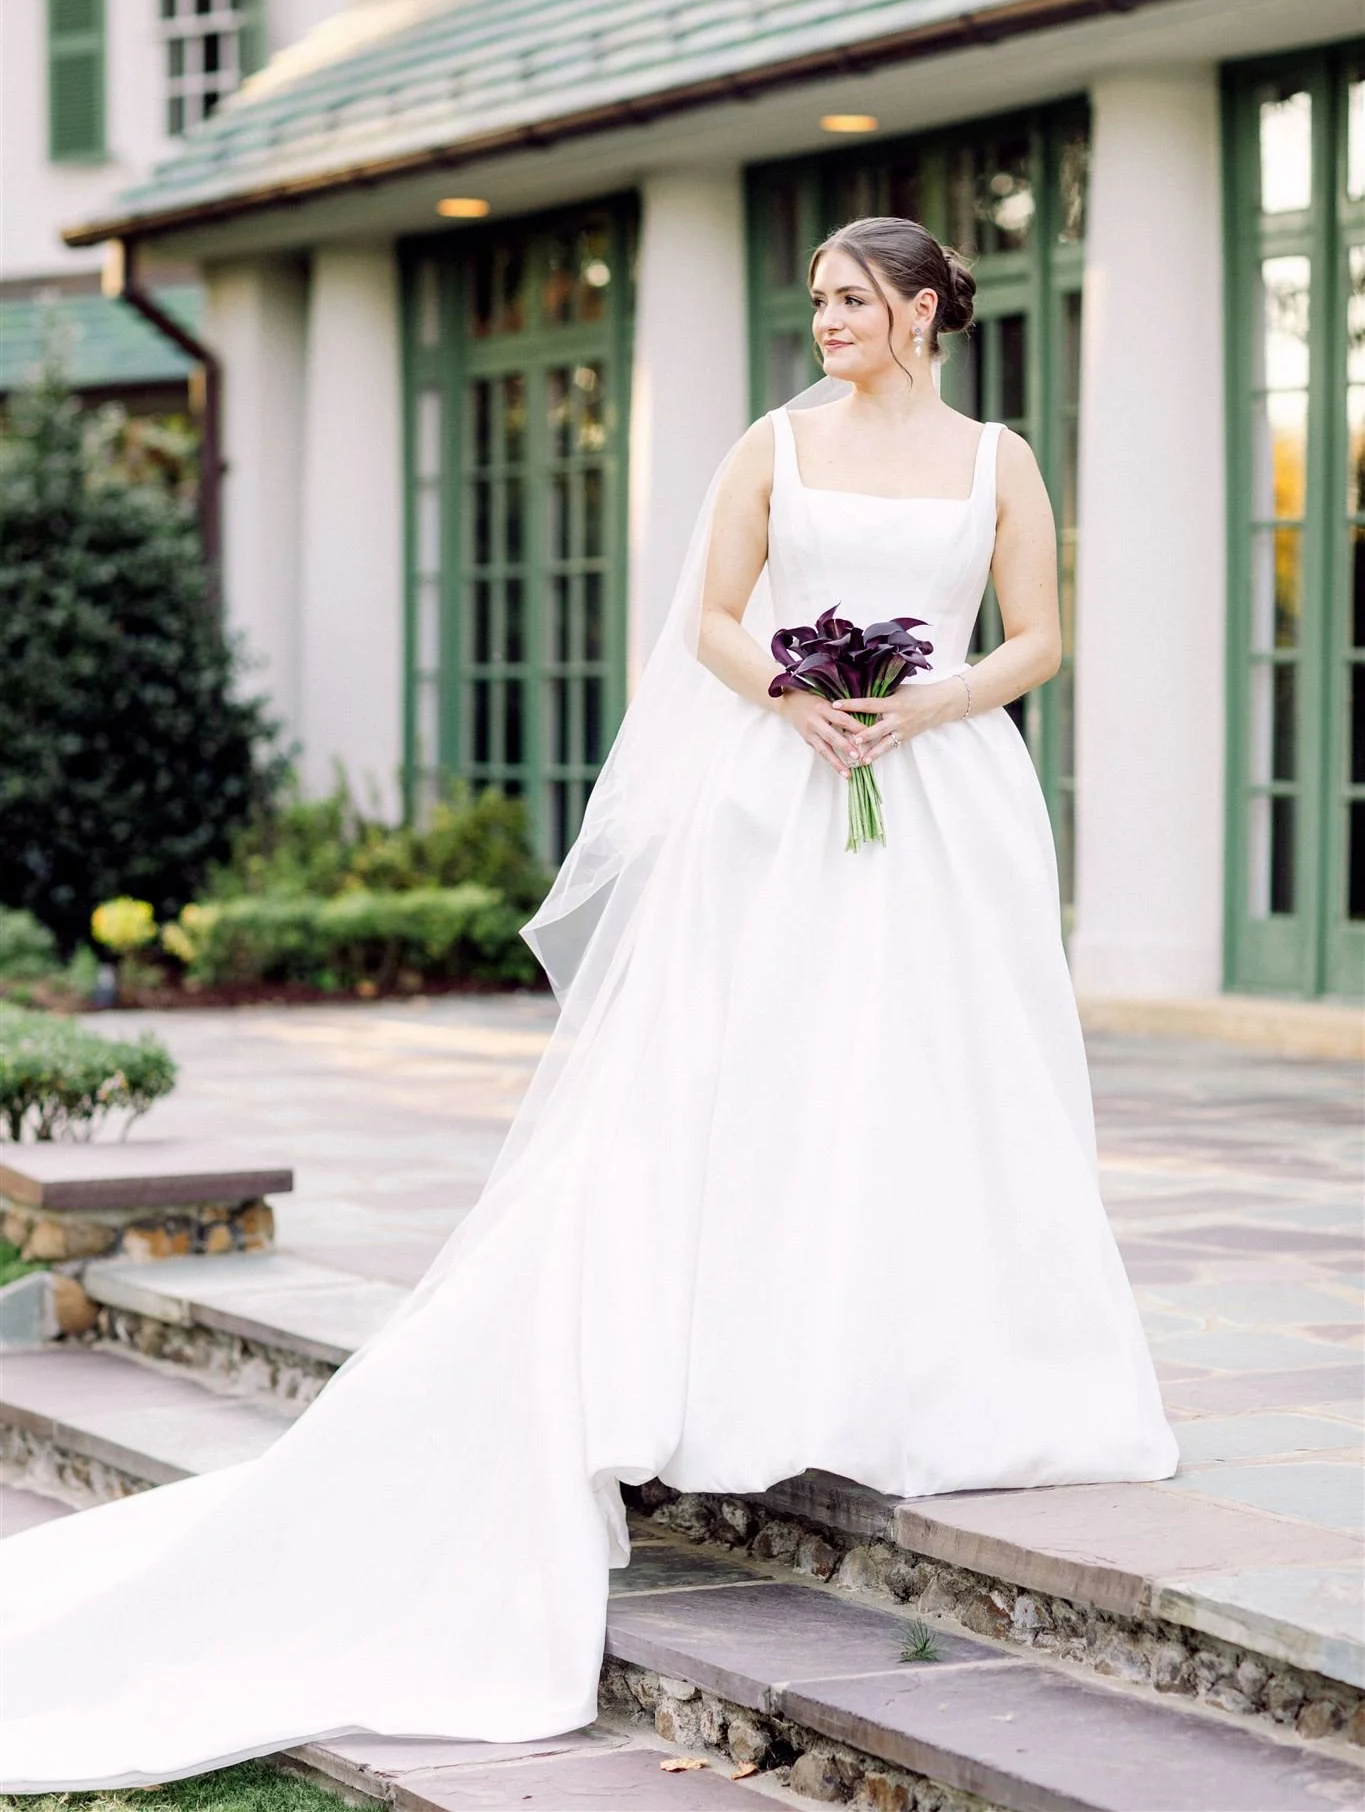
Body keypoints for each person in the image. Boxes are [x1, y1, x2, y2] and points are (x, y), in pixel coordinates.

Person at [0, 216, 1178, 1792]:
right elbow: (705, 620)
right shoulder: (774, 446)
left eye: (848, 299)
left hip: (949, 803)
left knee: (945, 1083)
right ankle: (750, 1374)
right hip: (782, 803)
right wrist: (800, 696)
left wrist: (923, 701)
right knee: (774, 1088)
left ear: (917, 310)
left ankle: (953, 1382)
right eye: (817, 298)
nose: (823, 318)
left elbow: (1037, 636)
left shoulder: (999, 463)